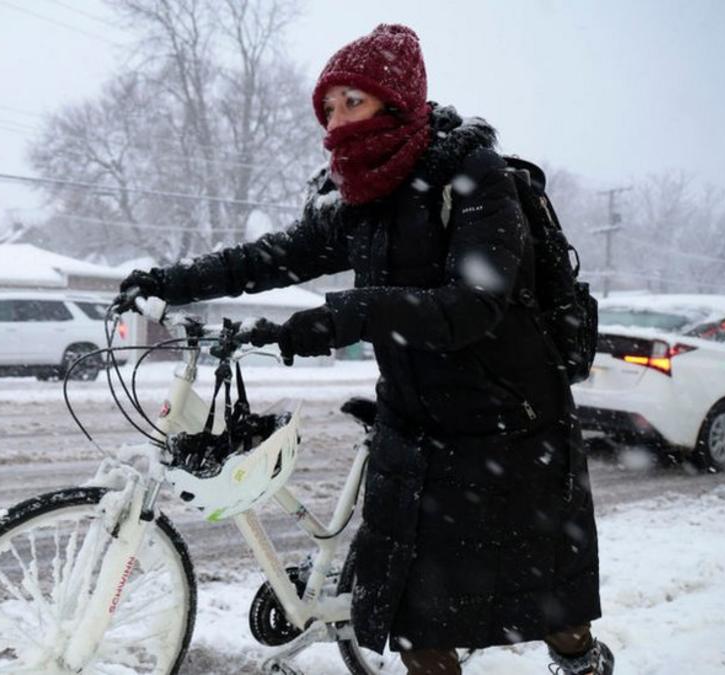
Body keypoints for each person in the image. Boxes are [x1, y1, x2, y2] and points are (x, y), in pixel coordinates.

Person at [113, 24, 612, 675]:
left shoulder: (473, 178)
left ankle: (580, 659)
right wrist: (169, 282)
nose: (338, 120)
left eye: (354, 101)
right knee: (417, 627)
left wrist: (342, 317)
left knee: (553, 610)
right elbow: (274, 256)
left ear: (397, 100)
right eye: (329, 106)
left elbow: (474, 304)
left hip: (509, 427)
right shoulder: (358, 190)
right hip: (415, 427)